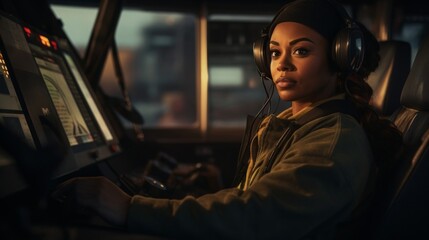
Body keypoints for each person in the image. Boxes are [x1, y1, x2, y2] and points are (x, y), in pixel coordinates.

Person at [52, 0, 402, 239]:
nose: (282, 64)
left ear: (341, 59)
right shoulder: (298, 124)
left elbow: (256, 218)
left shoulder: (332, 144)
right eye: (275, 52)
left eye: (301, 51)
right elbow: (261, 198)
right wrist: (214, 188)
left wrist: (127, 208)